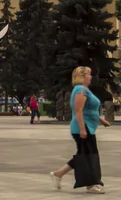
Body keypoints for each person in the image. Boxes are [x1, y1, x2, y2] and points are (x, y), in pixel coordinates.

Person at [49, 66, 109, 194]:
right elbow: (78, 110)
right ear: (82, 76)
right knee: (89, 155)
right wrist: (83, 129)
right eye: (88, 74)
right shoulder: (79, 89)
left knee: (85, 154)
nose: (91, 76)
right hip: (82, 127)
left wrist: (101, 120)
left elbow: (89, 110)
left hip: (88, 127)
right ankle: (91, 184)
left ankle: (58, 174)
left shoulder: (85, 89)